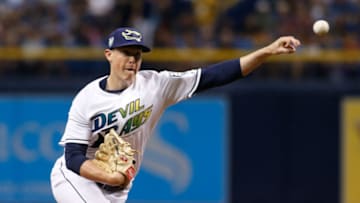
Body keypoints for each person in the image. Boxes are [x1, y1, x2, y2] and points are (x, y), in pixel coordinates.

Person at [50, 26, 301, 203]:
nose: (132, 60)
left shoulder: (155, 85)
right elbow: (72, 158)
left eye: (137, 55)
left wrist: (266, 51)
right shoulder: (87, 98)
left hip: (116, 189)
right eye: (126, 53)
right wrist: (110, 176)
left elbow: (215, 75)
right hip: (75, 178)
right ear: (109, 55)